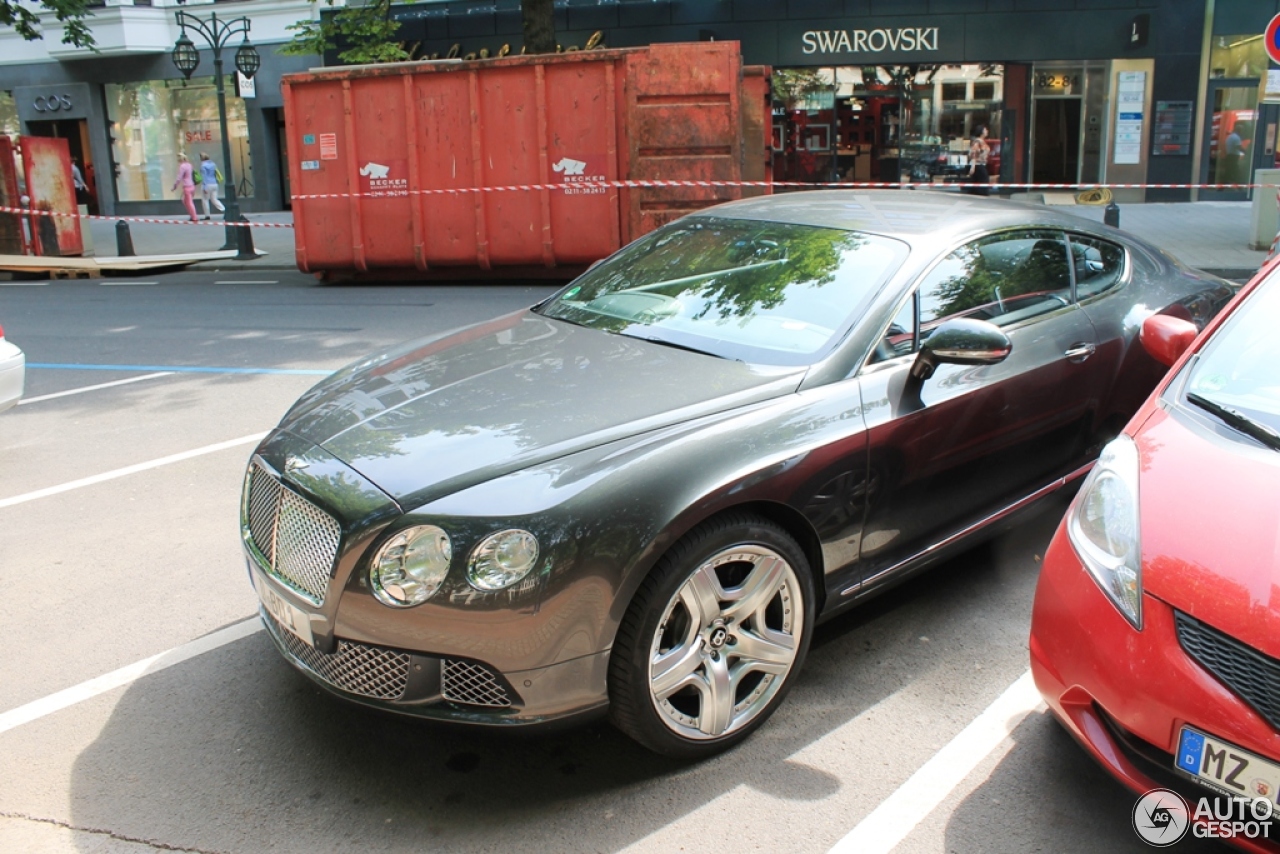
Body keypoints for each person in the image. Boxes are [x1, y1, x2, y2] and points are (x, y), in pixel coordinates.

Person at [171, 153, 198, 222]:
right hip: (192, 185)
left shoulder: (182, 166)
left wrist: (175, 186)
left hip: (187, 186)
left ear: (180, 160)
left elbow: (179, 178)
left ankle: (194, 217)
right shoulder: (189, 165)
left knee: (189, 202)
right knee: (185, 201)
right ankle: (192, 215)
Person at [198, 152, 225, 220]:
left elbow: (204, 177)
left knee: (205, 200)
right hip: (215, 184)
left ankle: (207, 215)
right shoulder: (213, 164)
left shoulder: (203, 166)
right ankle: (224, 210)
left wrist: (204, 187)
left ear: (201, 159)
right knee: (214, 199)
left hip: (207, 184)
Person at [966, 125, 991, 196]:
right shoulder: (978, 142)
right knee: (984, 181)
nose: (987, 131)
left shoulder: (982, 142)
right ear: (981, 131)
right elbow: (974, 154)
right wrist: (973, 167)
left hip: (981, 165)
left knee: (976, 183)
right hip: (978, 165)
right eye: (985, 130)